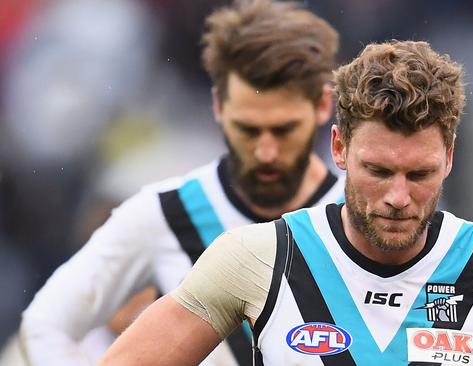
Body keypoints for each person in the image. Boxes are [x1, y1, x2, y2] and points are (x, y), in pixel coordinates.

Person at [99, 39, 473, 366]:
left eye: (419, 174)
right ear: (340, 148)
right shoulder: (256, 260)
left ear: (450, 158)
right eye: (378, 171)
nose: (397, 197)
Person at [18, 1, 343, 365]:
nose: (266, 151)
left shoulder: (363, 217)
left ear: (322, 105)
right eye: (247, 129)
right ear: (219, 106)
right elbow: (46, 323)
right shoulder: (165, 214)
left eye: (284, 129)